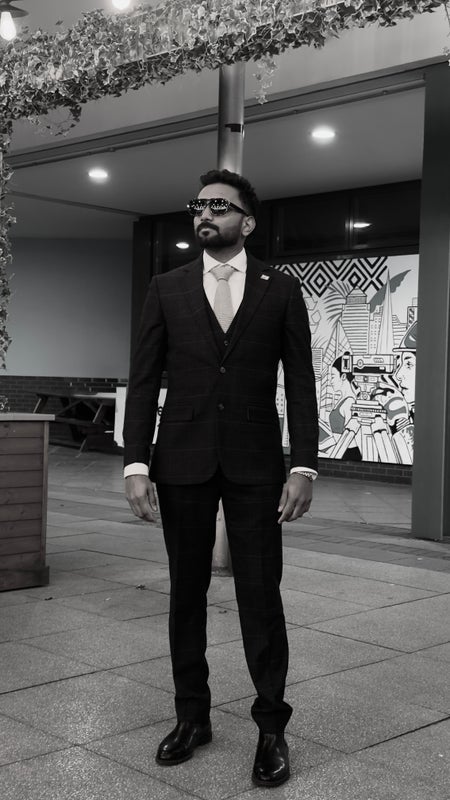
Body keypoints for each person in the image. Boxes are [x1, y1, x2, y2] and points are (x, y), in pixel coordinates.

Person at [123, 169, 318, 788]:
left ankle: (271, 728)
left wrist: (304, 464)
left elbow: (302, 381)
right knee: (186, 594)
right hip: (181, 459)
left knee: (261, 595)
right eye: (199, 205)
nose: (205, 214)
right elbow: (144, 378)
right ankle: (192, 717)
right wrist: (135, 462)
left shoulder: (280, 289)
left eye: (219, 206)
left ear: (247, 222)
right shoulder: (167, 287)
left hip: (256, 464)